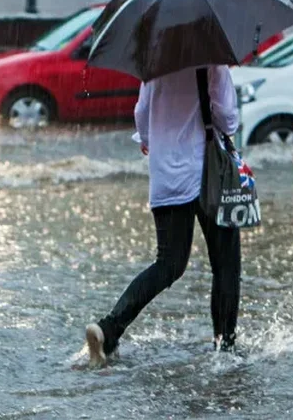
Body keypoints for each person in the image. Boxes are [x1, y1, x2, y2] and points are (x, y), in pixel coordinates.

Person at [85, 65, 240, 368]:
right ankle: (225, 347)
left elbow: (142, 115)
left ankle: (109, 328)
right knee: (226, 264)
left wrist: (150, 138)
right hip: (208, 174)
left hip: (166, 176)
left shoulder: (154, 62)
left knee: (168, 264)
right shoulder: (210, 60)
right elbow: (228, 118)